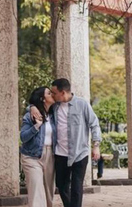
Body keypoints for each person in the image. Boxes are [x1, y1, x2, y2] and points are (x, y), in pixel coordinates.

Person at [30, 78, 101, 207]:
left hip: (80, 153)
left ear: (62, 93)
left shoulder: (82, 104)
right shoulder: (54, 106)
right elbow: (39, 103)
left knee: (76, 187)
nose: (51, 95)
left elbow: (94, 124)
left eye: (54, 92)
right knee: (61, 186)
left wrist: (96, 146)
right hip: (60, 154)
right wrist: (32, 107)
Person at [20, 86, 57, 207]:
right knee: (36, 191)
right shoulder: (30, 116)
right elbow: (23, 137)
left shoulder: (54, 114)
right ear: (42, 98)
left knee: (49, 193)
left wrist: (31, 106)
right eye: (49, 93)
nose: (52, 94)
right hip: (31, 156)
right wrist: (36, 126)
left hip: (50, 155)